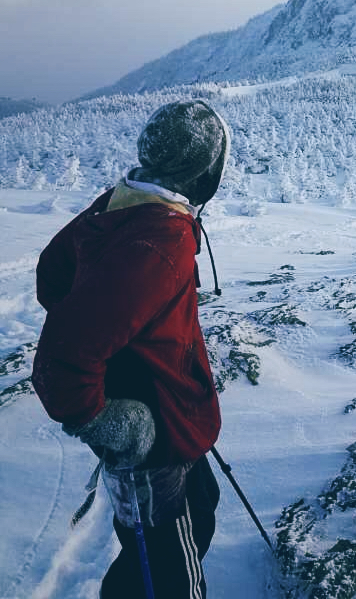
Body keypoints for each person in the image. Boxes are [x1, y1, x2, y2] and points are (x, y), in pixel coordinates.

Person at [32, 99, 230, 598]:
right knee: (167, 569)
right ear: (205, 174)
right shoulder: (158, 239)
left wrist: (131, 348)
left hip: (170, 411)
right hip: (154, 435)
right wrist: (110, 420)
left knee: (200, 505)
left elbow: (52, 275)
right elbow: (61, 360)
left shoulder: (123, 203)